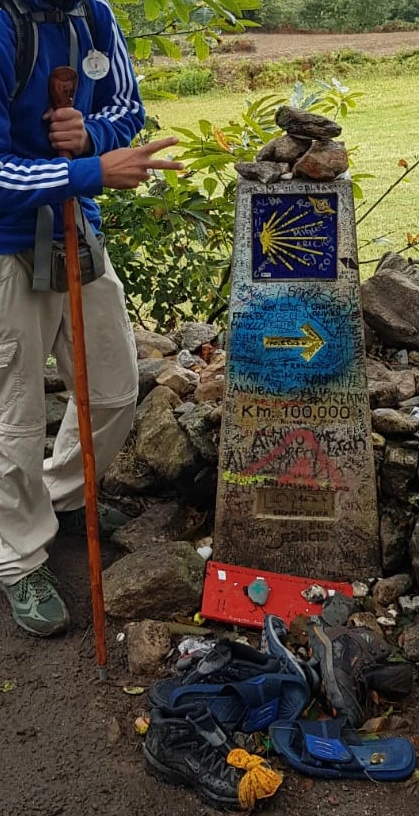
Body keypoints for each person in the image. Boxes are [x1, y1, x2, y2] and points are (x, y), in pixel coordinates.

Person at [0, 0, 183, 636]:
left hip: (76, 231)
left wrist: (91, 138)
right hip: (5, 245)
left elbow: (125, 110)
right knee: (13, 418)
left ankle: (57, 498)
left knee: (112, 391)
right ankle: (19, 558)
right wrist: (89, 168)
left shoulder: (94, 17)